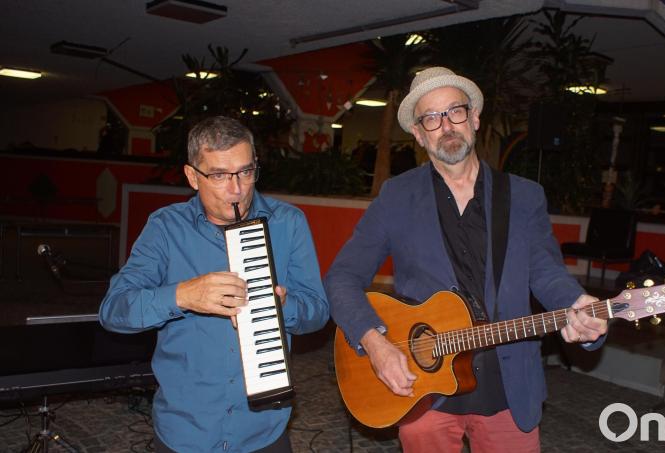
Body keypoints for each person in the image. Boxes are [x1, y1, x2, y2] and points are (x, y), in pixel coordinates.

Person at [325, 67, 608, 452]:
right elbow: (342, 277)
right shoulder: (396, 197)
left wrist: (577, 306)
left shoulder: (524, 197)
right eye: (431, 118)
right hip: (423, 390)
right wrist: (375, 344)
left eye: (455, 111)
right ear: (419, 134)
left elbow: (546, 272)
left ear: (474, 118)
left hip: (508, 386)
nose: (446, 126)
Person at [99, 116, 329, 452]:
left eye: (246, 172)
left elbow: (318, 312)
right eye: (219, 175)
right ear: (193, 176)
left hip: (263, 430)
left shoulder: (288, 222)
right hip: (186, 430)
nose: (237, 189)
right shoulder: (165, 227)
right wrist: (183, 295)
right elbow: (113, 310)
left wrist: (284, 306)